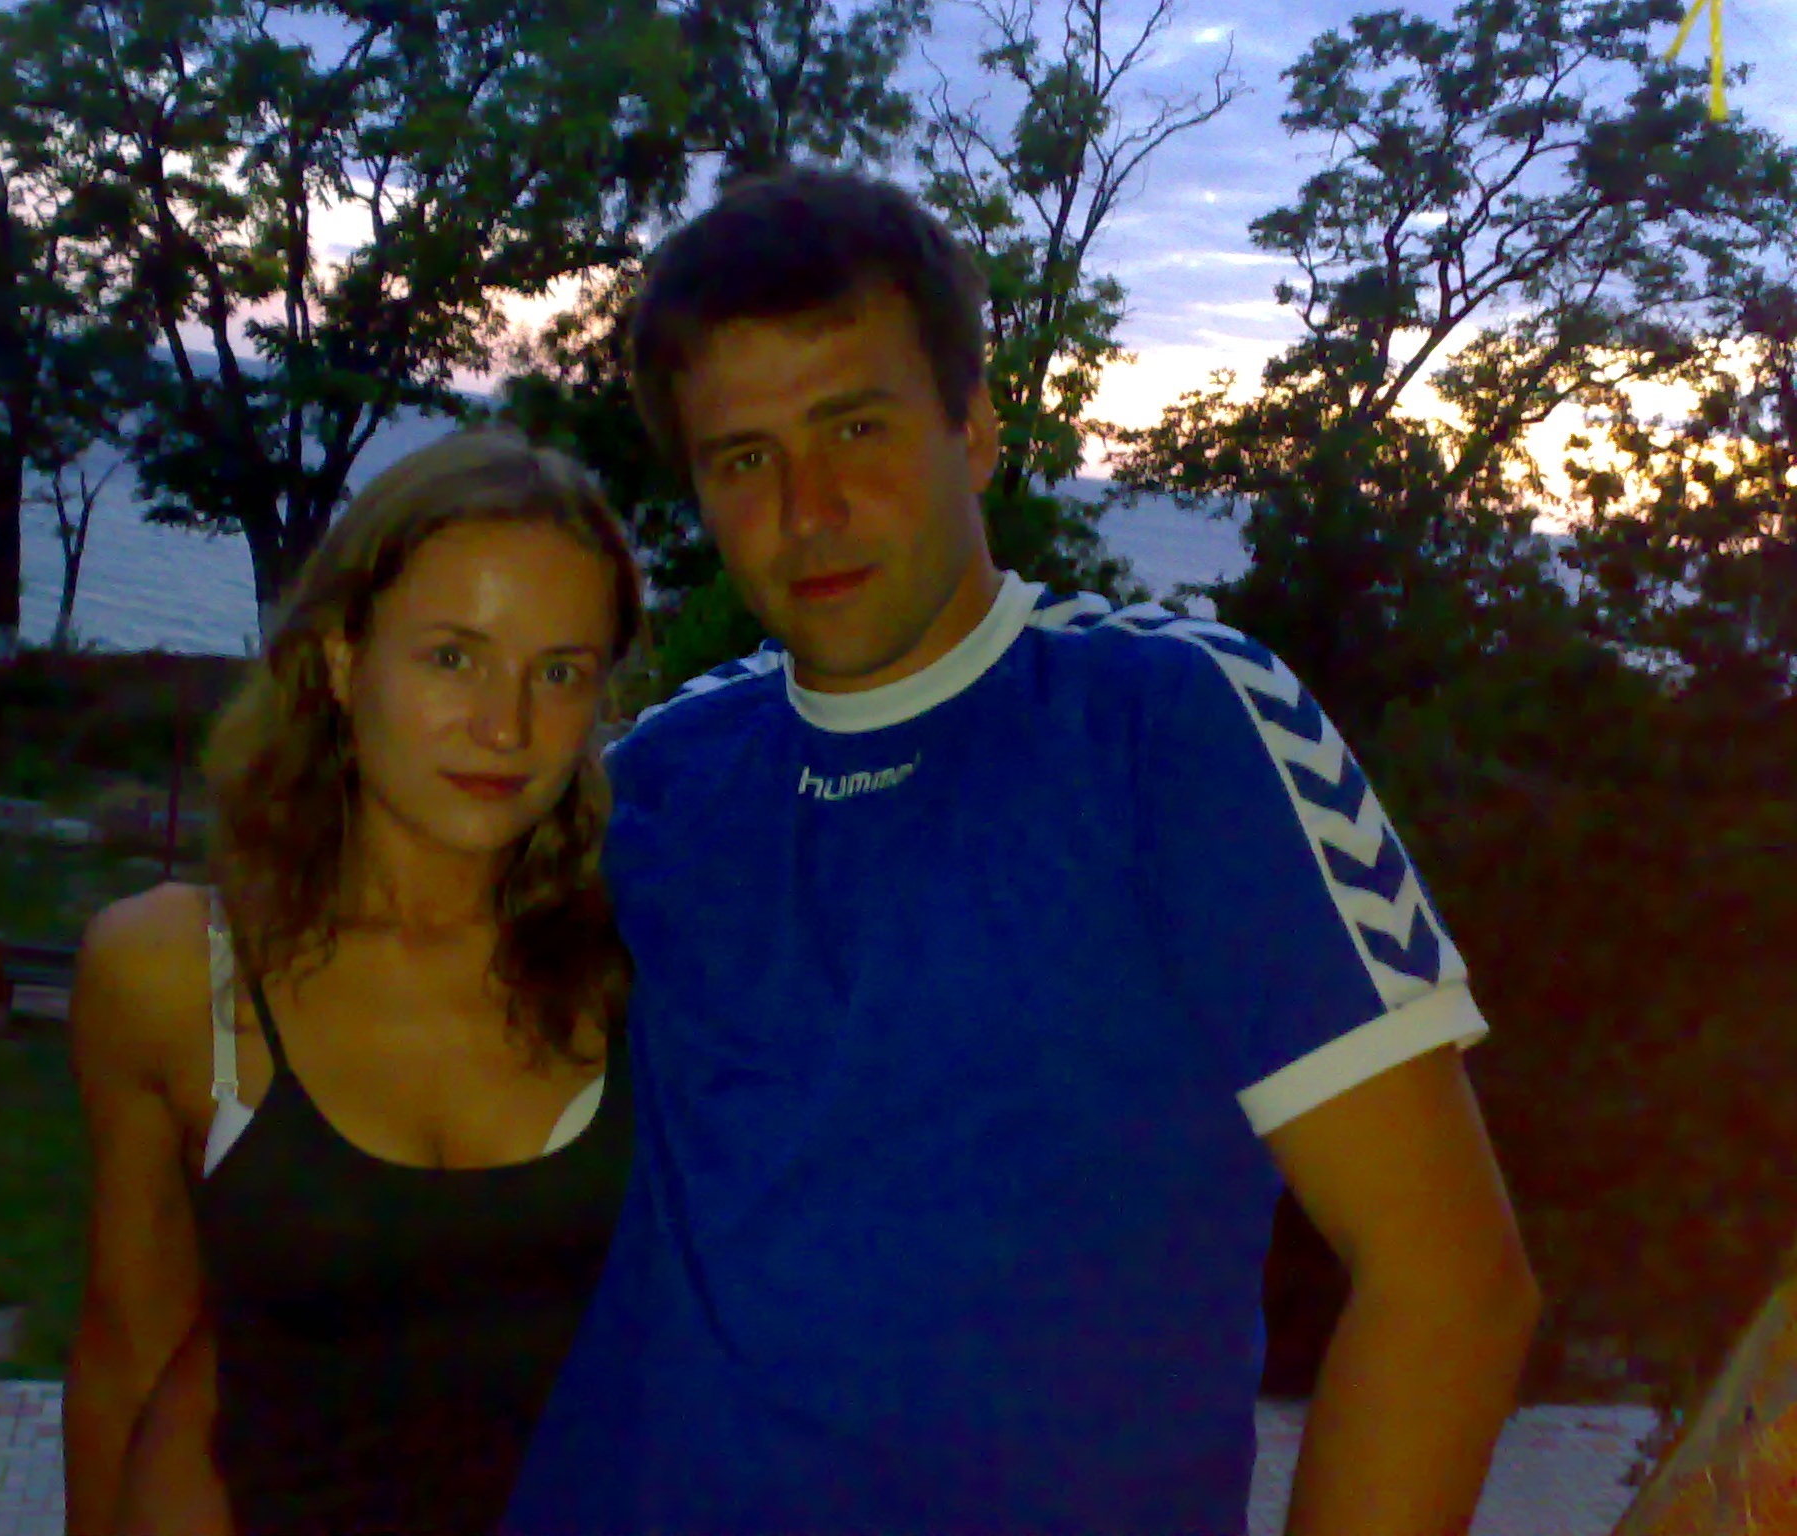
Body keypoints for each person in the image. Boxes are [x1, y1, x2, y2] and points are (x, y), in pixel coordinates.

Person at [498, 167, 1543, 1535]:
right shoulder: (656, 780)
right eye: (743, 458)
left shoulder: (1165, 728)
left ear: (976, 430)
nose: (808, 506)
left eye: (855, 426)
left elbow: (1448, 1283)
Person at [60, 428, 643, 1536]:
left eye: (559, 673)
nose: (506, 725)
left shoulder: (646, 963)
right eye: (453, 658)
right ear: (341, 661)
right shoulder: (174, 976)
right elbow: (129, 1357)